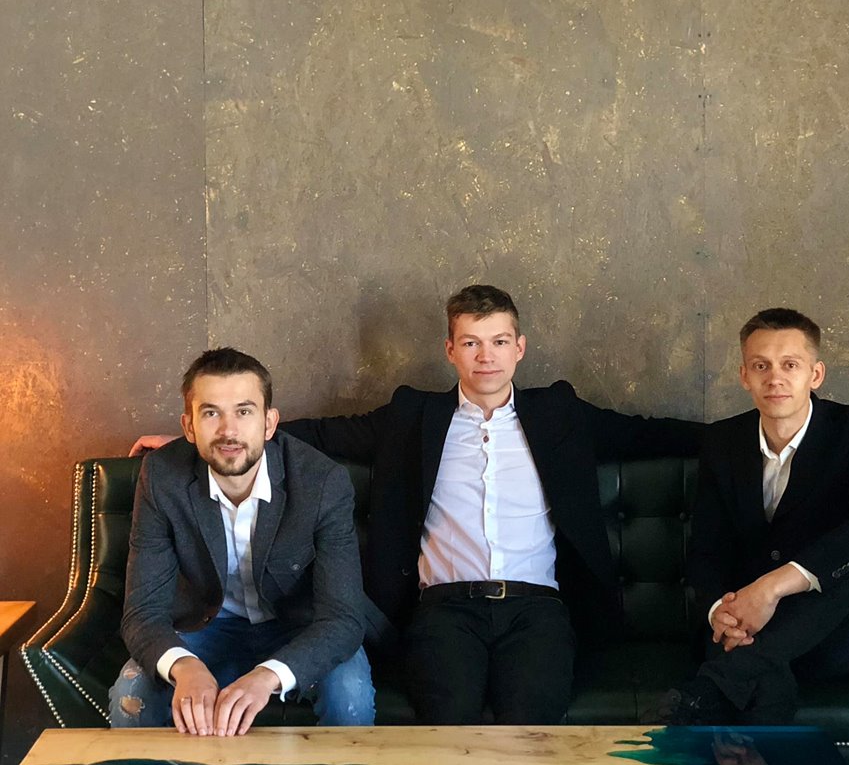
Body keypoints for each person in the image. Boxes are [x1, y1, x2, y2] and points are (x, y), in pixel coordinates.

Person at [133, 285, 700, 724]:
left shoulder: (559, 413)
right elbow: (319, 433)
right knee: (445, 730)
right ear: (450, 350)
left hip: (539, 608)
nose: (486, 357)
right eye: (471, 342)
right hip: (444, 611)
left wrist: (738, 439)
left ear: (520, 348)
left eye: (499, 341)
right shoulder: (413, 417)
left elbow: (647, 433)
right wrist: (193, 443)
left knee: (532, 730)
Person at [111, 347, 375, 735]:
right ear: (188, 427)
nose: (228, 431)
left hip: (298, 628)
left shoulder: (322, 482)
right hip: (204, 627)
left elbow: (343, 618)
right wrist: (185, 666)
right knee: (130, 696)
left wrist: (269, 675)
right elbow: (142, 611)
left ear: (269, 423)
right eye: (211, 413)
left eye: (244, 411)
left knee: (351, 695)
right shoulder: (162, 476)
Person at [658, 308, 849, 725]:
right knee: (763, 681)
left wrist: (770, 589)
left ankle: (706, 690)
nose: (775, 378)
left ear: (815, 374)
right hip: (743, 630)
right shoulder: (723, 441)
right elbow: (707, 548)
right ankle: (716, 693)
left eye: (790, 365)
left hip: (824, 635)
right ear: (744, 376)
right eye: (761, 366)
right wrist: (720, 613)